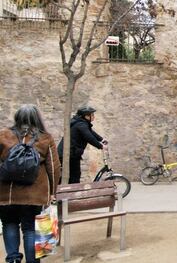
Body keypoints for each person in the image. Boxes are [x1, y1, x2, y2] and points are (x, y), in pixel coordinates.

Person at [0, 104, 61, 263]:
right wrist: (52, 192)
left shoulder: (3, 135)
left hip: (7, 194)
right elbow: (54, 168)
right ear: (37, 118)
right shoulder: (45, 138)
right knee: (30, 229)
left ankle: (13, 259)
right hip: (35, 195)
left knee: (9, 224)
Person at [58, 106, 107, 184]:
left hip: (71, 153)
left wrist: (101, 139)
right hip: (70, 154)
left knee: (73, 175)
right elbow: (89, 137)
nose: (93, 117)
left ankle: (68, 192)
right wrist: (100, 146)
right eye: (92, 115)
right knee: (74, 176)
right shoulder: (81, 125)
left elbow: (91, 132)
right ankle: (70, 193)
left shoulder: (81, 123)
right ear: (87, 116)